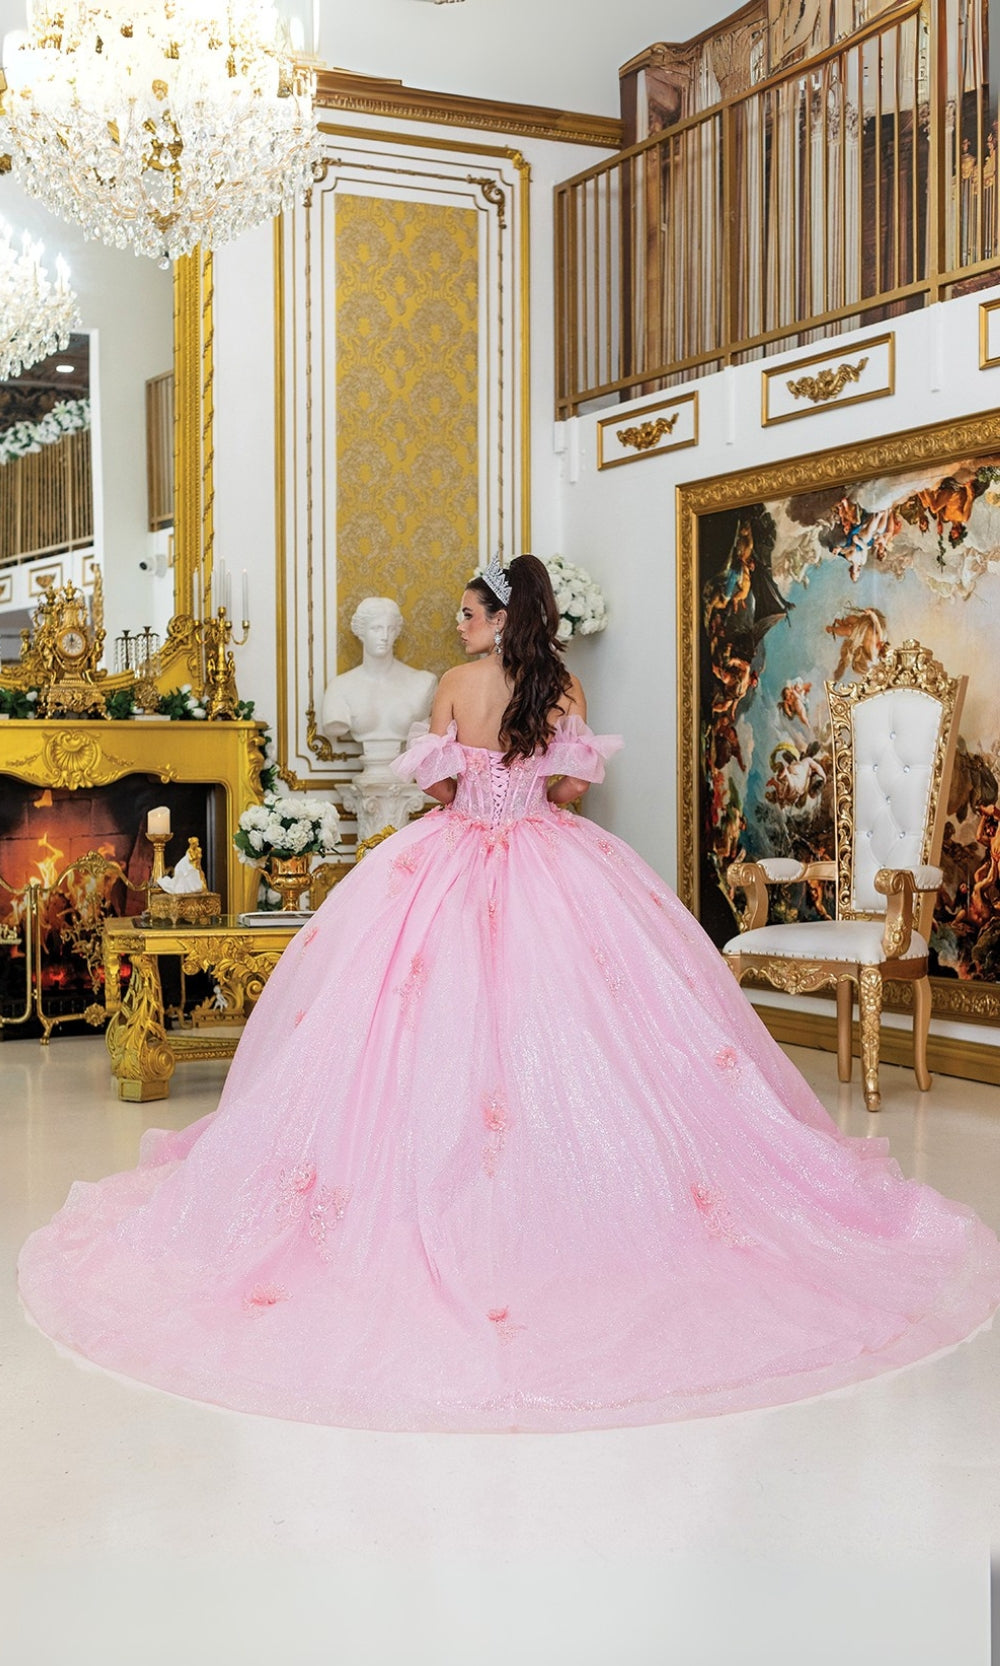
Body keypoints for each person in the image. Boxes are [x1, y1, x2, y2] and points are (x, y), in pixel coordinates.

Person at [17, 556, 1000, 1432]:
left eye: (466, 612)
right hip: (550, 861)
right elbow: (572, 792)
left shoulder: (453, 687)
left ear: (498, 618)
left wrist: (478, 792)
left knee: (415, 1027)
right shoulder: (560, 686)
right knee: (582, 1026)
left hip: (448, 863)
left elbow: (438, 792)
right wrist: (525, 789)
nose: (456, 625)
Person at [319, 596, 436, 767]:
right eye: (376, 629)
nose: (384, 636)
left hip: (405, 776)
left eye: (390, 629)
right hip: (369, 774)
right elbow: (334, 725)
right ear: (361, 632)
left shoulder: (423, 682)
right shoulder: (340, 687)